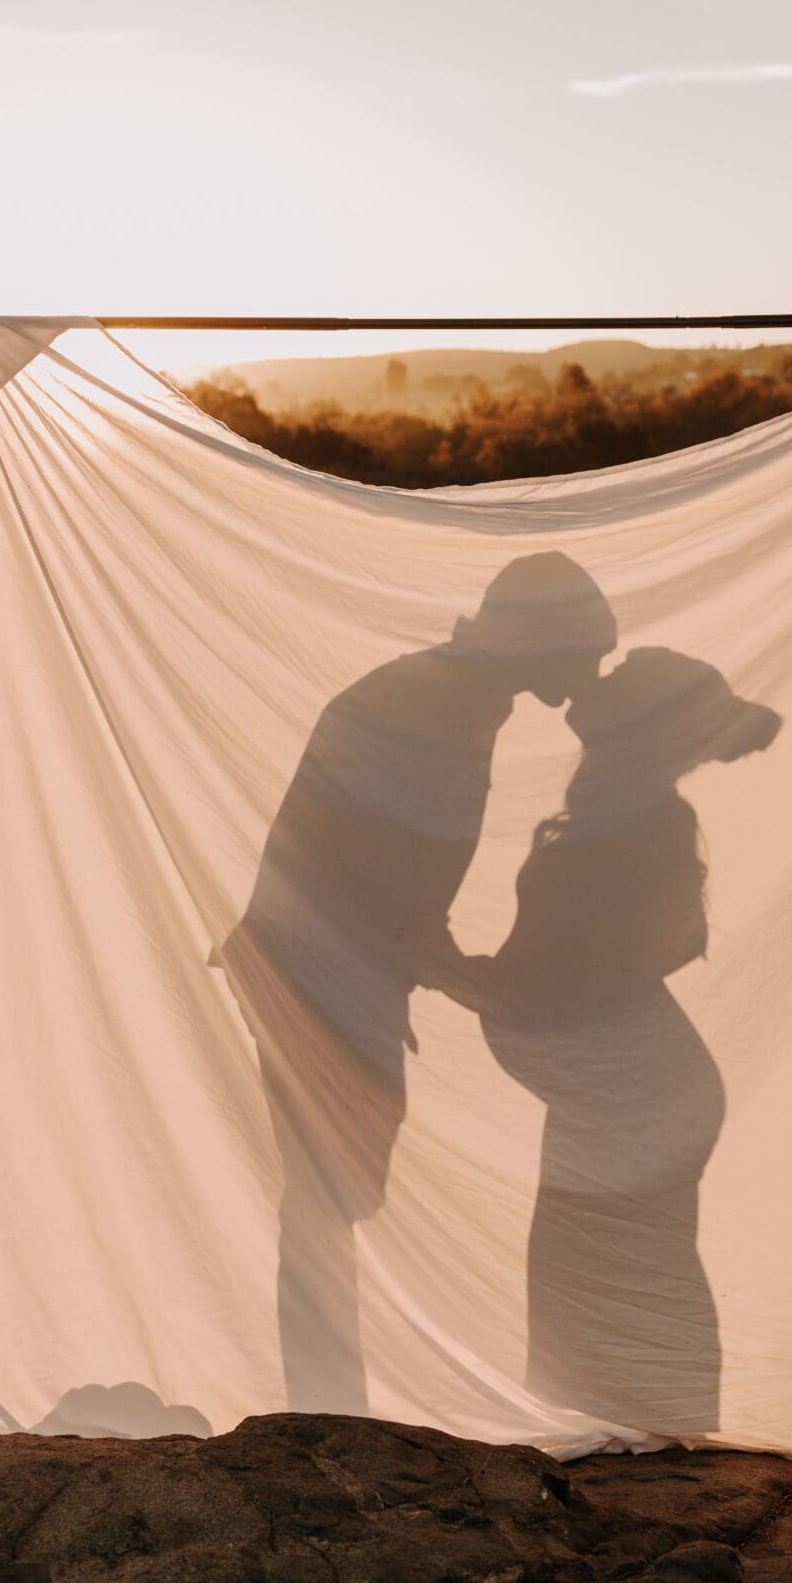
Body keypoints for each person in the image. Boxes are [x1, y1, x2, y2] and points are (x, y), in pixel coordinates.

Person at [216, 551, 618, 1411]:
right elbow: (363, 874)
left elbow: (394, 877)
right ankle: (327, 1411)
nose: (592, 671)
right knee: (327, 1195)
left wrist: (446, 967)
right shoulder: (428, 709)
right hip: (313, 971)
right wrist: (465, 977)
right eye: (582, 650)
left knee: (335, 1194)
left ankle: (329, 1405)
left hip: (343, 969)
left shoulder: (461, 703)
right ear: (538, 642)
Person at [450, 645, 779, 1436]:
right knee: (607, 1267)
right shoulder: (612, 820)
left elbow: (593, 962)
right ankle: (652, 1435)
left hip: (636, 1087)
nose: (576, 721)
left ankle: (663, 1439)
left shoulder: (644, 826)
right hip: (624, 1085)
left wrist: (461, 971)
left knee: (617, 1268)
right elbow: (561, 963)